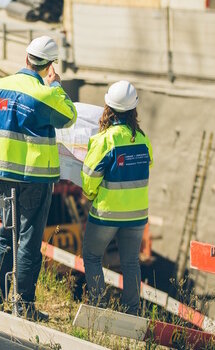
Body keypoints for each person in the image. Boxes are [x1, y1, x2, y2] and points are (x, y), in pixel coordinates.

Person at [0, 35, 77, 321]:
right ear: (49, 66)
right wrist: (55, 85)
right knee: (28, 239)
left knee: (6, 231)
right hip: (34, 176)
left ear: (26, 59)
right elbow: (69, 116)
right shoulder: (45, 94)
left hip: (3, 174)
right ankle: (23, 305)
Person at [81, 81, 153, 316]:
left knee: (92, 256)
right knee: (131, 262)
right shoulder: (143, 140)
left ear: (108, 107)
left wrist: (90, 194)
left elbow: (89, 177)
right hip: (137, 214)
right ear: (134, 109)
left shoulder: (104, 140)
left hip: (107, 214)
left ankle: (99, 311)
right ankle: (132, 314)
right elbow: (148, 164)